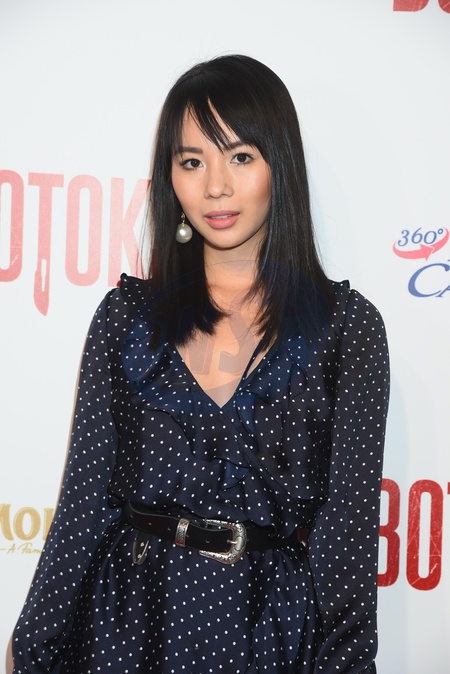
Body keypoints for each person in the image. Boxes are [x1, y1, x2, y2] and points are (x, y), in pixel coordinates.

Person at [12, 54, 390, 673]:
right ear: (171, 177)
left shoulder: (347, 330)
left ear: (280, 165)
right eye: (192, 161)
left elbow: (345, 537)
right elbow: (84, 504)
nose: (215, 186)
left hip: (266, 634)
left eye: (240, 157)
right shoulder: (126, 318)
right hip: (126, 627)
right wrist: (33, 651)